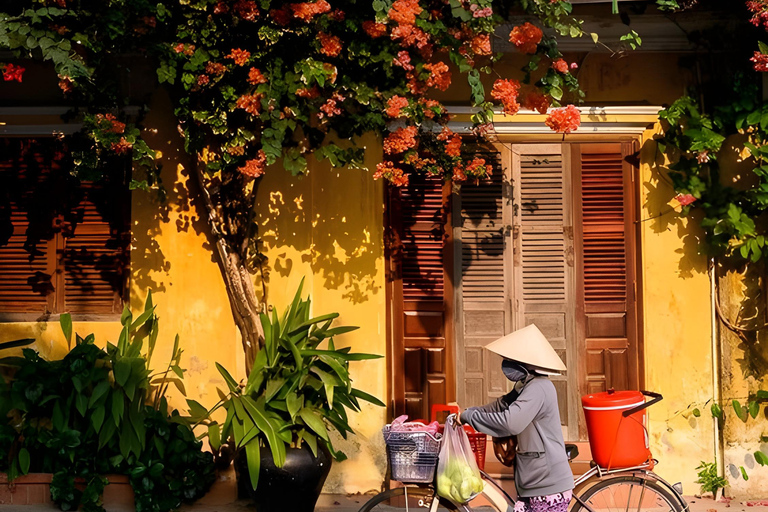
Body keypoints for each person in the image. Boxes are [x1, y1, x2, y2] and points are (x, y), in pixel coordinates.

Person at [457, 324, 574, 512]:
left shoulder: (538, 388)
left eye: (511, 359)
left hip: (547, 484)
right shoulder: (524, 386)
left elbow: (510, 423)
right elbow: (500, 405)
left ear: (525, 362)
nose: (506, 363)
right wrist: (467, 413)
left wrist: (470, 416)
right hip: (532, 481)